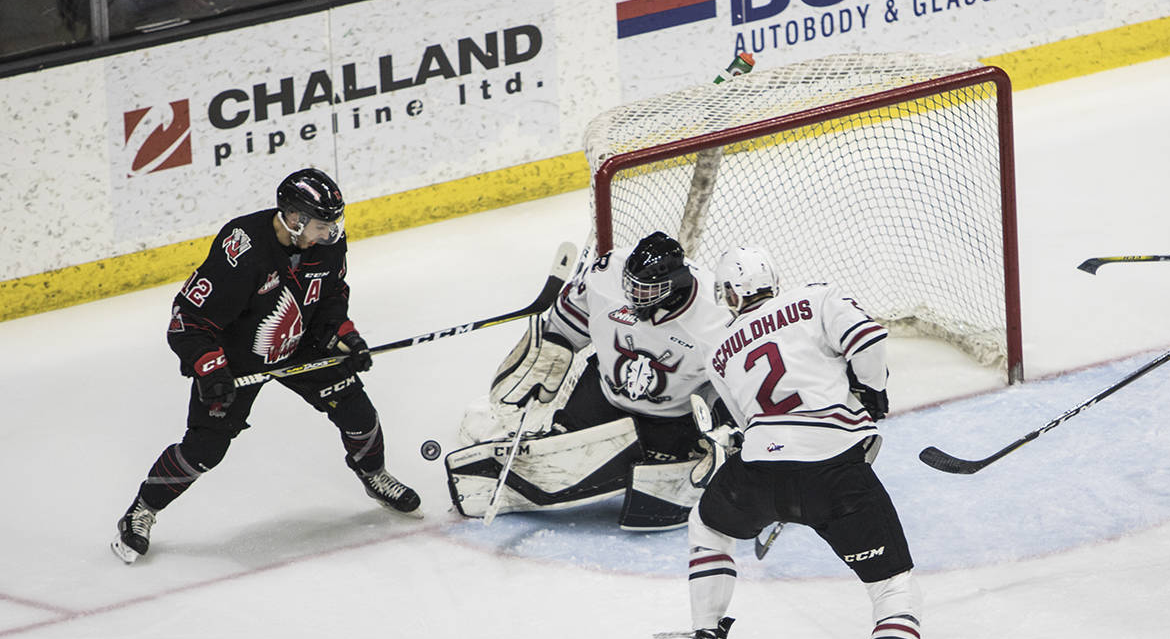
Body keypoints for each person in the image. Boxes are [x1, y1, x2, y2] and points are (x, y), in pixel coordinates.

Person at [650, 246, 964, 639]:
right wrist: (872, 389)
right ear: (773, 279)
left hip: (758, 471)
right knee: (892, 587)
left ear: (729, 295)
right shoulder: (815, 297)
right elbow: (868, 338)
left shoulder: (721, 349)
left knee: (708, 527)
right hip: (834, 471)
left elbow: (745, 423)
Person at [111, 168, 421, 564]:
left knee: (359, 414)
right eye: (323, 225)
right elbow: (186, 320)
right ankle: (142, 510)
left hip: (302, 342)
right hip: (237, 359)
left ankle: (374, 476)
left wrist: (345, 334)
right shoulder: (242, 249)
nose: (331, 233)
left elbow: (331, 297)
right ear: (294, 219)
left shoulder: (328, 244)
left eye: (334, 223)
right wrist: (210, 368)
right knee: (205, 448)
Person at [444, 231, 730, 530]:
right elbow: (567, 324)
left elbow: (727, 385)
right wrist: (548, 353)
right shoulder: (607, 272)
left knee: (653, 488)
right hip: (602, 395)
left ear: (676, 285)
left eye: (645, 290)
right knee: (559, 453)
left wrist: (722, 424)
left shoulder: (715, 316)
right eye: (630, 285)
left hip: (672, 419)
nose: (633, 296)